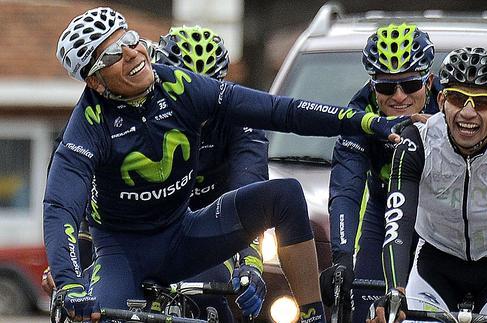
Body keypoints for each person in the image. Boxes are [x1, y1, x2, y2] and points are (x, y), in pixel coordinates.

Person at [45, 7, 416, 323]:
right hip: (121, 252)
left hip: (183, 234)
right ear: (94, 80)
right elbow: (61, 205)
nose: (131, 53)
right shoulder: (88, 125)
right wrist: (68, 282)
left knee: (285, 195)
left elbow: (278, 111)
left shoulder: (179, 86)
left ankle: (313, 316)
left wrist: (365, 122)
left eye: (131, 39)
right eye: (112, 56)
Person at [43, 25, 269, 321]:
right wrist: (67, 275)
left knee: (213, 301)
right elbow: (70, 203)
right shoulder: (100, 117)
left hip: (205, 231)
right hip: (127, 234)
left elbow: (249, 193)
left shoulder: (238, 119)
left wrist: (250, 262)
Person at [367, 47, 487, 323]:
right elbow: (398, 220)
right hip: (435, 263)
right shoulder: (417, 141)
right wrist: (395, 290)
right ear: (443, 100)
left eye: (482, 103)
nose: (467, 113)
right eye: (458, 99)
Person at [319, 23, 438, 321]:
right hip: (384, 209)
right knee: (365, 305)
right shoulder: (360, 111)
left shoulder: (453, 108)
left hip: (439, 216)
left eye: (410, 84)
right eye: (386, 86)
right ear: (373, 87)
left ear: (429, 80)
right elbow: (346, 189)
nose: (398, 96)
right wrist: (342, 257)